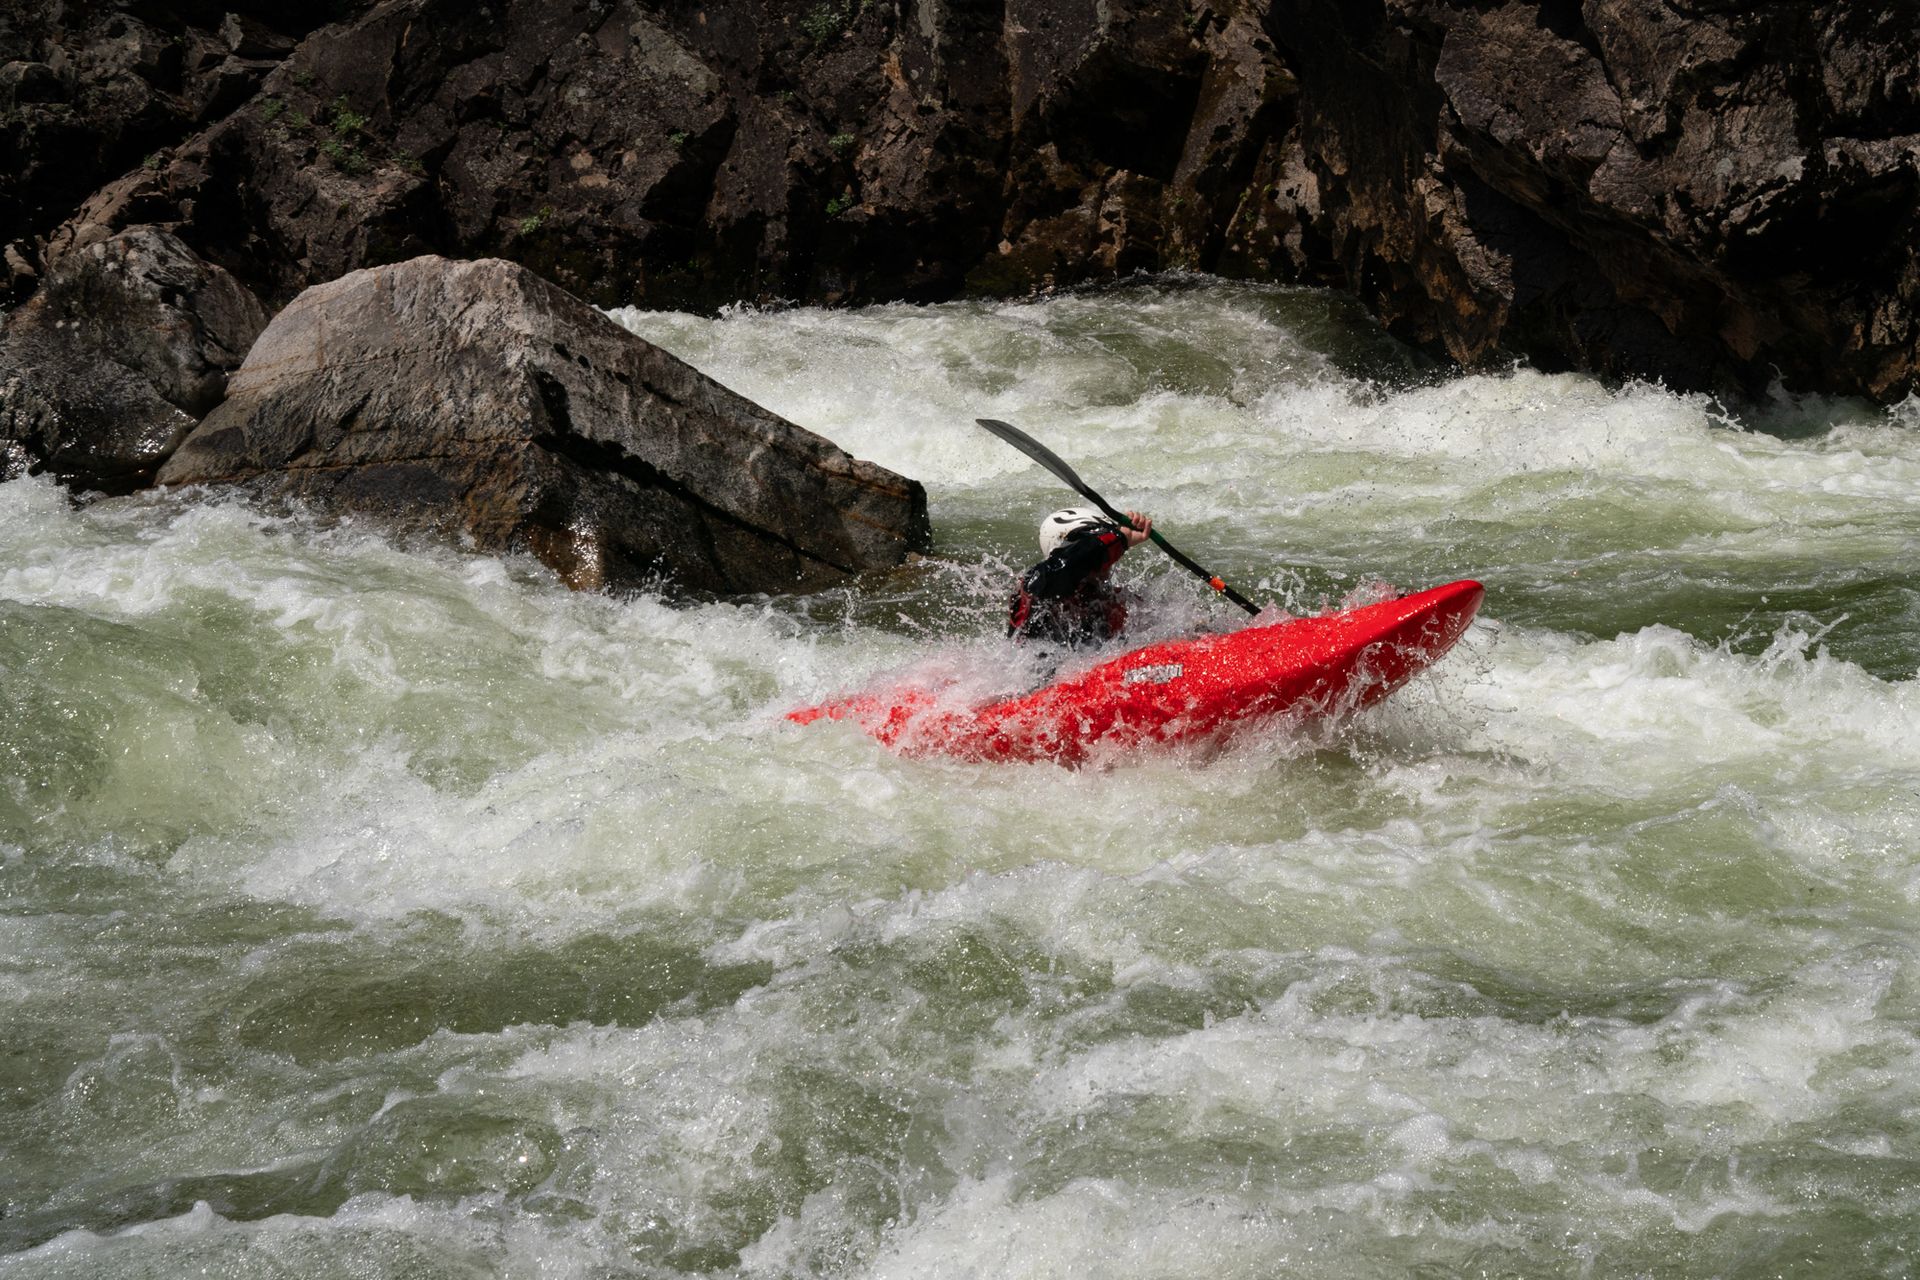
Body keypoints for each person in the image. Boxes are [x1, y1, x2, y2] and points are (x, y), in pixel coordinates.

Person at [1006, 506, 1153, 647]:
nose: (1106, 562)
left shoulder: (1112, 600)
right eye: (1100, 555)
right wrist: (1118, 538)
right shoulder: (1034, 588)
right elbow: (1064, 568)